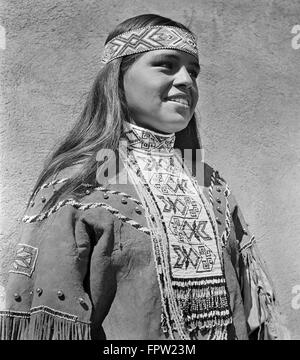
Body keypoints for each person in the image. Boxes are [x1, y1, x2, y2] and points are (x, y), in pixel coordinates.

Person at [0, 14, 289, 340]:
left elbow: (253, 312)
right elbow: (48, 323)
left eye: (192, 72)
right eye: (166, 65)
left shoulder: (210, 184)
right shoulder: (80, 183)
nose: (186, 81)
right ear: (118, 77)